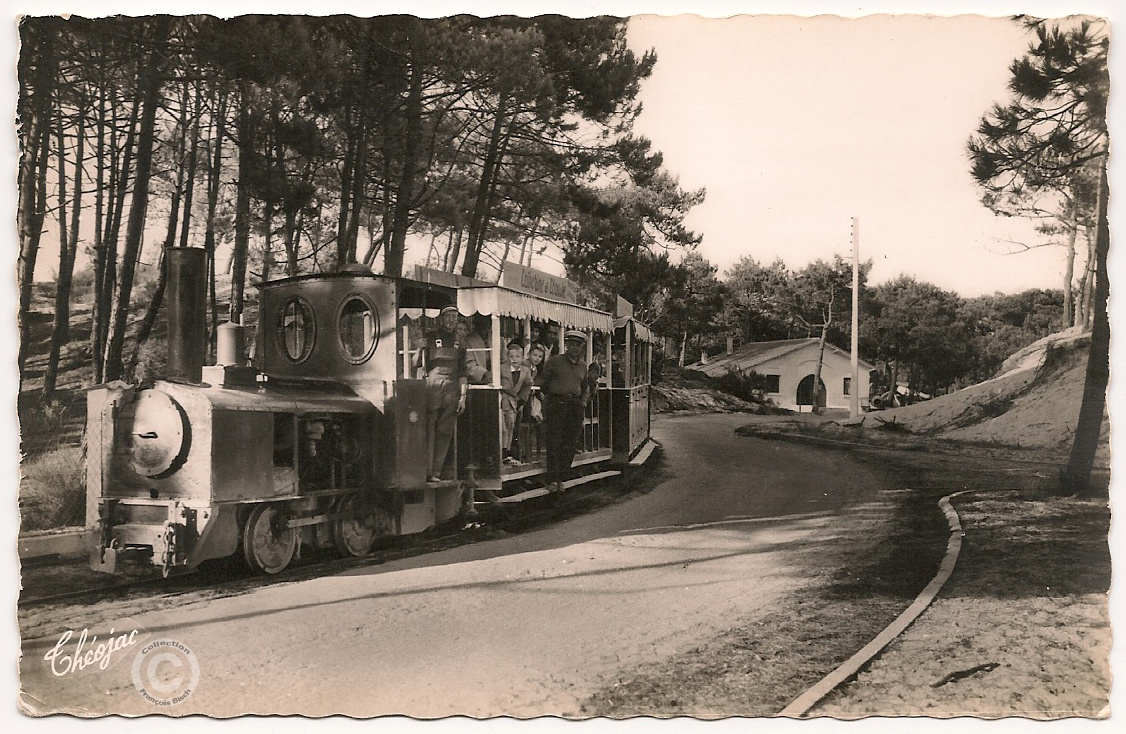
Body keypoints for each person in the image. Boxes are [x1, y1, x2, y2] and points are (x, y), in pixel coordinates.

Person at [414, 305, 468, 483]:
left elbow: (462, 372)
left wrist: (463, 397)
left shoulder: (461, 342)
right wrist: (419, 349)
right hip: (433, 386)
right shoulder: (429, 337)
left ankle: (436, 472)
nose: (451, 320)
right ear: (441, 318)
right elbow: (415, 364)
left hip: (452, 389)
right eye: (448, 316)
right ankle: (426, 470)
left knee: (445, 431)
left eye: (455, 316)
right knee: (428, 427)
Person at [535, 330, 588, 492]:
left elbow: (585, 387)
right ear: (566, 345)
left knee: (570, 442)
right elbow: (543, 382)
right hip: (557, 404)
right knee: (554, 441)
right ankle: (553, 479)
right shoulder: (555, 361)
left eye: (577, 345)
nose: (574, 348)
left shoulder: (583, 366)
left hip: (575, 406)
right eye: (571, 344)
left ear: (581, 347)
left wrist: (583, 402)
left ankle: (562, 477)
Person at [500, 340, 533, 465]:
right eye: (511, 356)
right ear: (508, 357)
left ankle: (506, 452)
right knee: (502, 427)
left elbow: (528, 384)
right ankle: (502, 451)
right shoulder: (502, 368)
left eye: (517, 356)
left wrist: (521, 399)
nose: (514, 359)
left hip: (514, 401)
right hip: (502, 399)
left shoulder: (525, 370)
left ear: (522, 357)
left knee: (510, 425)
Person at [456, 318, 491, 384]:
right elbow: (468, 364)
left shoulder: (495, 338)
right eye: (459, 329)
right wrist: (483, 373)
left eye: (464, 330)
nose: (462, 332)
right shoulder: (469, 341)